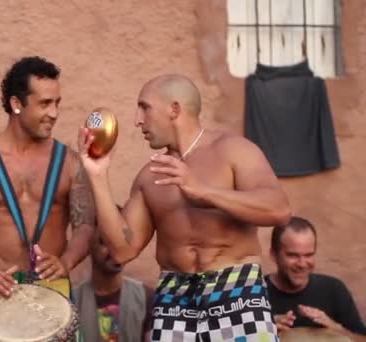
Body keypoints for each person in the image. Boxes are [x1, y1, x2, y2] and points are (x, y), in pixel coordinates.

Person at [78, 74, 292, 341]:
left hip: (237, 292)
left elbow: (279, 209)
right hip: (174, 300)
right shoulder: (149, 177)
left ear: (174, 109)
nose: (137, 120)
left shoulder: (233, 150)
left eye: (145, 107)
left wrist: (204, 191)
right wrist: (97, 175)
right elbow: (121, 250)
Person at [0, 56, 95, 301]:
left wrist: (65, 262)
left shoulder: (71, 163)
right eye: (44, 104)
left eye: (57, 103)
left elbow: (86, 226)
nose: (54, 113)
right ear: (16, 103)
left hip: (52, 289)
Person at [266, 216, 366, 340]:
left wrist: (336, 329)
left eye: (309, 255)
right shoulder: (255, 294)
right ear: (274, 255)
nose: (302, 264)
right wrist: (263, 329)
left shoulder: (333, 289)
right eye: (293, 255)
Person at [73, 214, 154, 342]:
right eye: (105, 242)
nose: (116, 251)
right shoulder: (71, 301)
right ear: (90, 244)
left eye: (122, 243)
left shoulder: (147, 298)